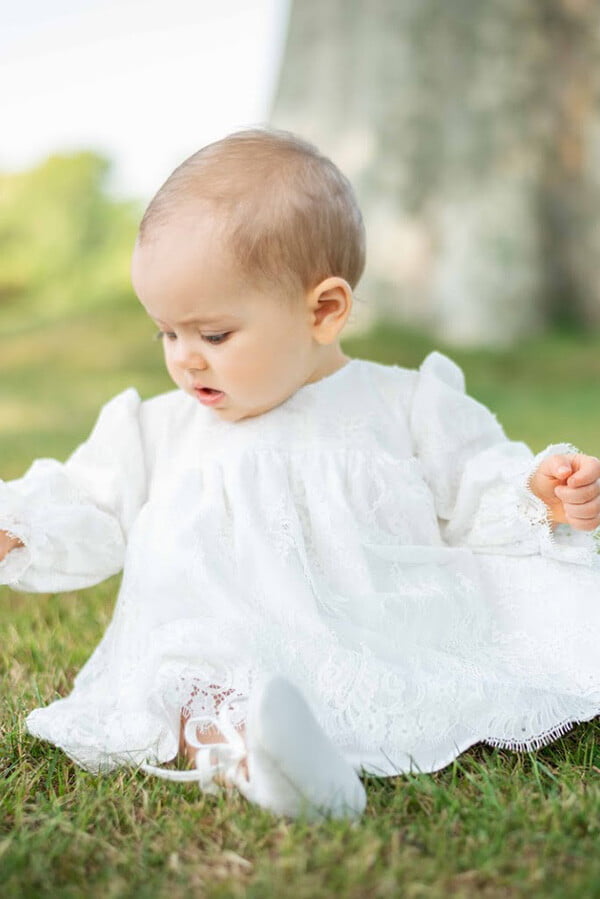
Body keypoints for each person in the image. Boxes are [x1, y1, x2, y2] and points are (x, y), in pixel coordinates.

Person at [1, 127, 599, 822]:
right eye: (167, 332)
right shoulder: (160, 427)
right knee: (194, 686)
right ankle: (260, 762)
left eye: (214, 334)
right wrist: (20, 525)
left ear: (323, 310)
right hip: (218, 631)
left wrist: (535, 493)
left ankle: (320, 737)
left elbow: (471, 480)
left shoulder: (402, 402)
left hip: (367, 620)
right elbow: (89, 498)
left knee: (421, 670)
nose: (185, 359)